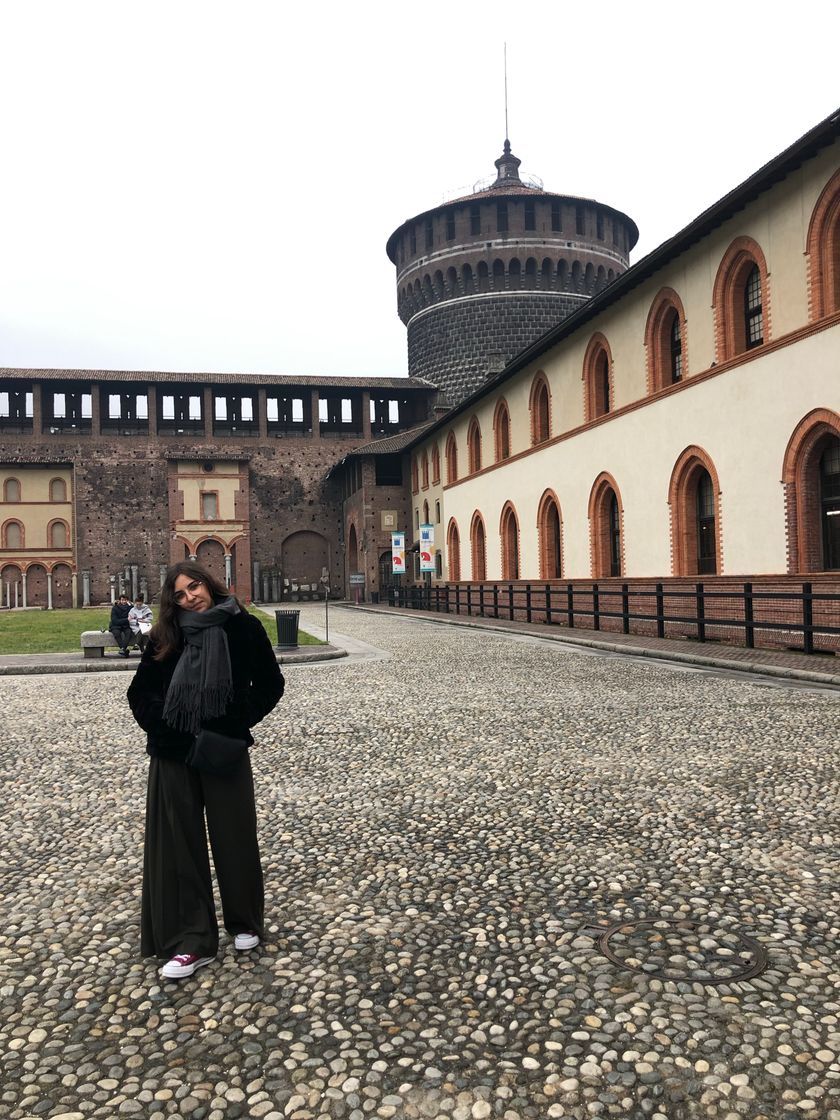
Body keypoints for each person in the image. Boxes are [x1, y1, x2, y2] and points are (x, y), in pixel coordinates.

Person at [127, 560, 284, 981]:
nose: (189, 597)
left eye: (194, 587)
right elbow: (139, 693)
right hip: (173, 752)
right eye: (179, 594)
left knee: (234, 835)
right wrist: (172, 729)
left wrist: (233, 725)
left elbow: (271, 685)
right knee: (180, 844)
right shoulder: (167, 634)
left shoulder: (243, 629)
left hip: (223, 749)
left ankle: (245, 921)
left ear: (209, 584)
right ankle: (191, 940)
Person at [109, 593, 133, 657]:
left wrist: (131, 605)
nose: (124, 601)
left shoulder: (130, 608)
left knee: (129, 633)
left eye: (125, 600)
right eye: (122, 600)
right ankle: (124, 650)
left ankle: (122, 650)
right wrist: (126, 619)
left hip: (126, 626)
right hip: (115, 626)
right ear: (119, 600)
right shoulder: (115, 608)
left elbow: (134, 615)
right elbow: (115, 620)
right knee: (117, 633)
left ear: (127, 601)